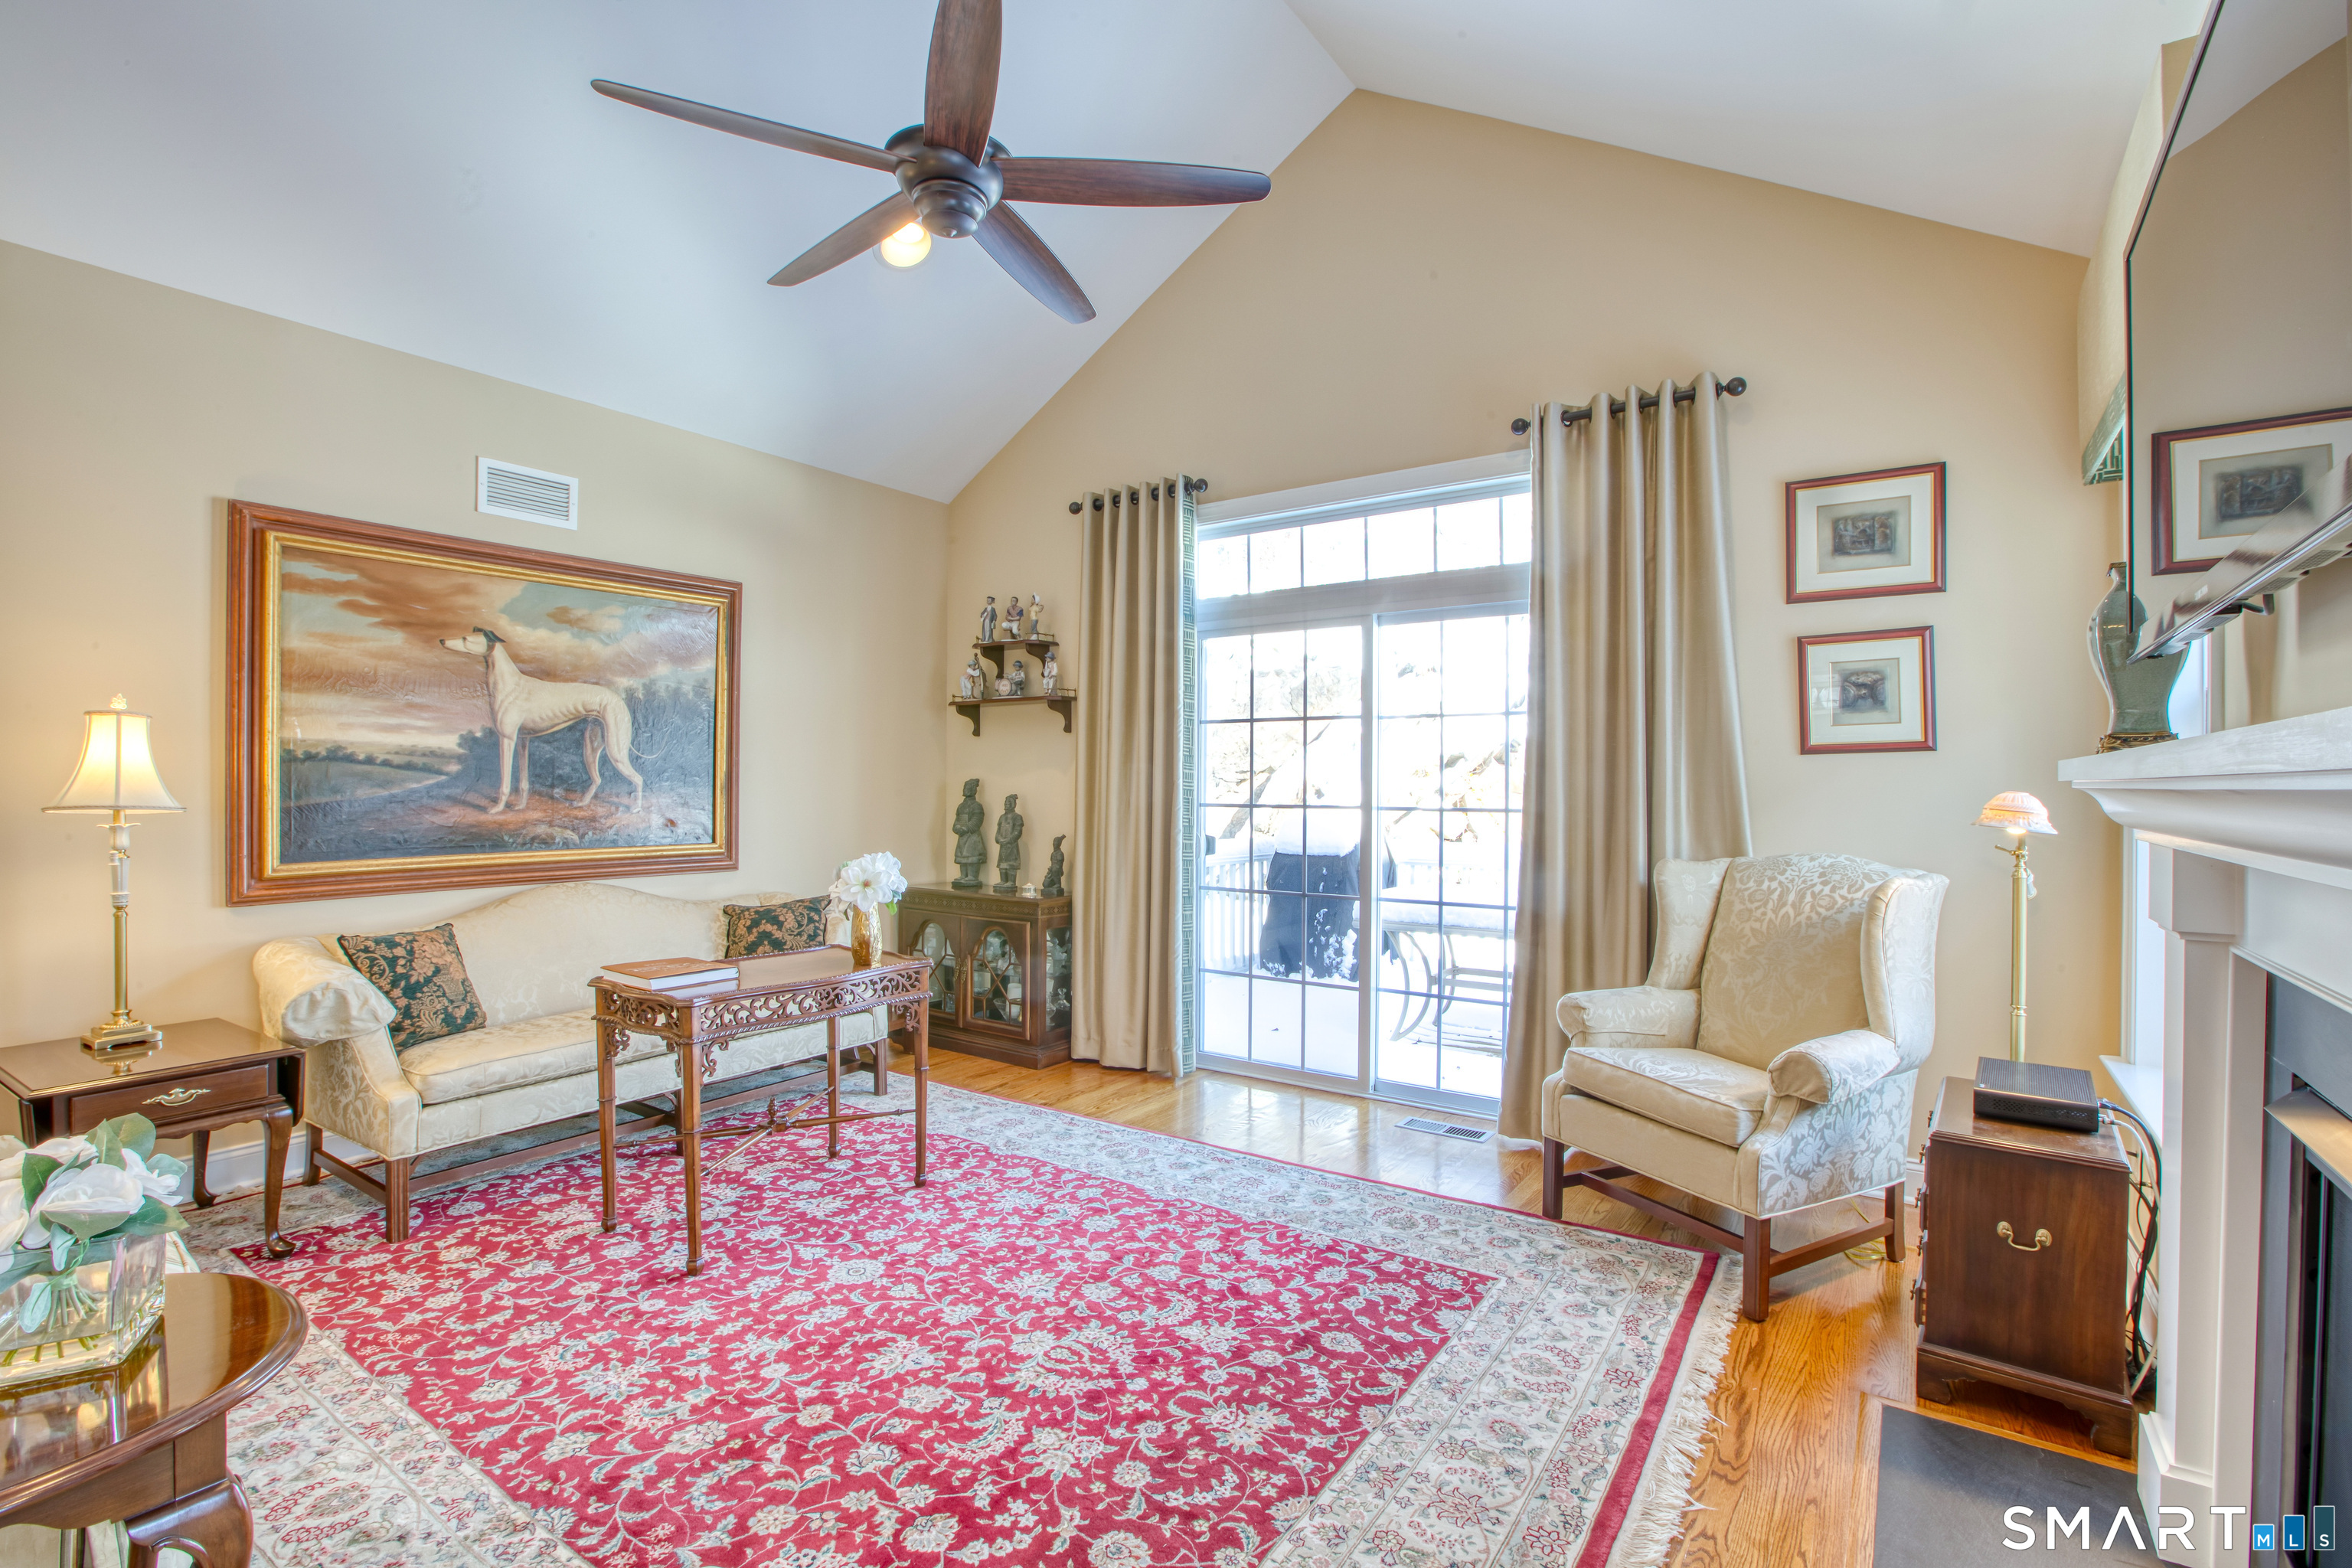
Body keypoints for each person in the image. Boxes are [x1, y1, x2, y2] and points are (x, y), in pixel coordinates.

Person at [952, 779, 986, 889]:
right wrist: (957, 828)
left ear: (973, 790)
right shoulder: (961, 806)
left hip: (972, 836)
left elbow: (977, 820)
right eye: (964, 787)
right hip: (962, 835)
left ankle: (972, 876)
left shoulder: (977, 806)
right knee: (962, 856)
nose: (965, 789)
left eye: (968, 787)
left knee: (971, 856)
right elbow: (957, 820)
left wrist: (966, 828)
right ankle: (964, 875)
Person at [995, 793, 1024, 891]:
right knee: (1002, 864)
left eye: (1009, 802)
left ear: (1014, 804)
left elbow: (1018, 832)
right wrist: (998, 838)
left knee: (1011, 863)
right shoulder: (1002, 817)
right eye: (1006, 802)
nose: (1007, 804)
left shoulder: (1017, 817)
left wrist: (1009, 840)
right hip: (1003, 845)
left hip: (1012, 845)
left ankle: (1011, 881)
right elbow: (998, 831)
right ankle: (1003, 880)